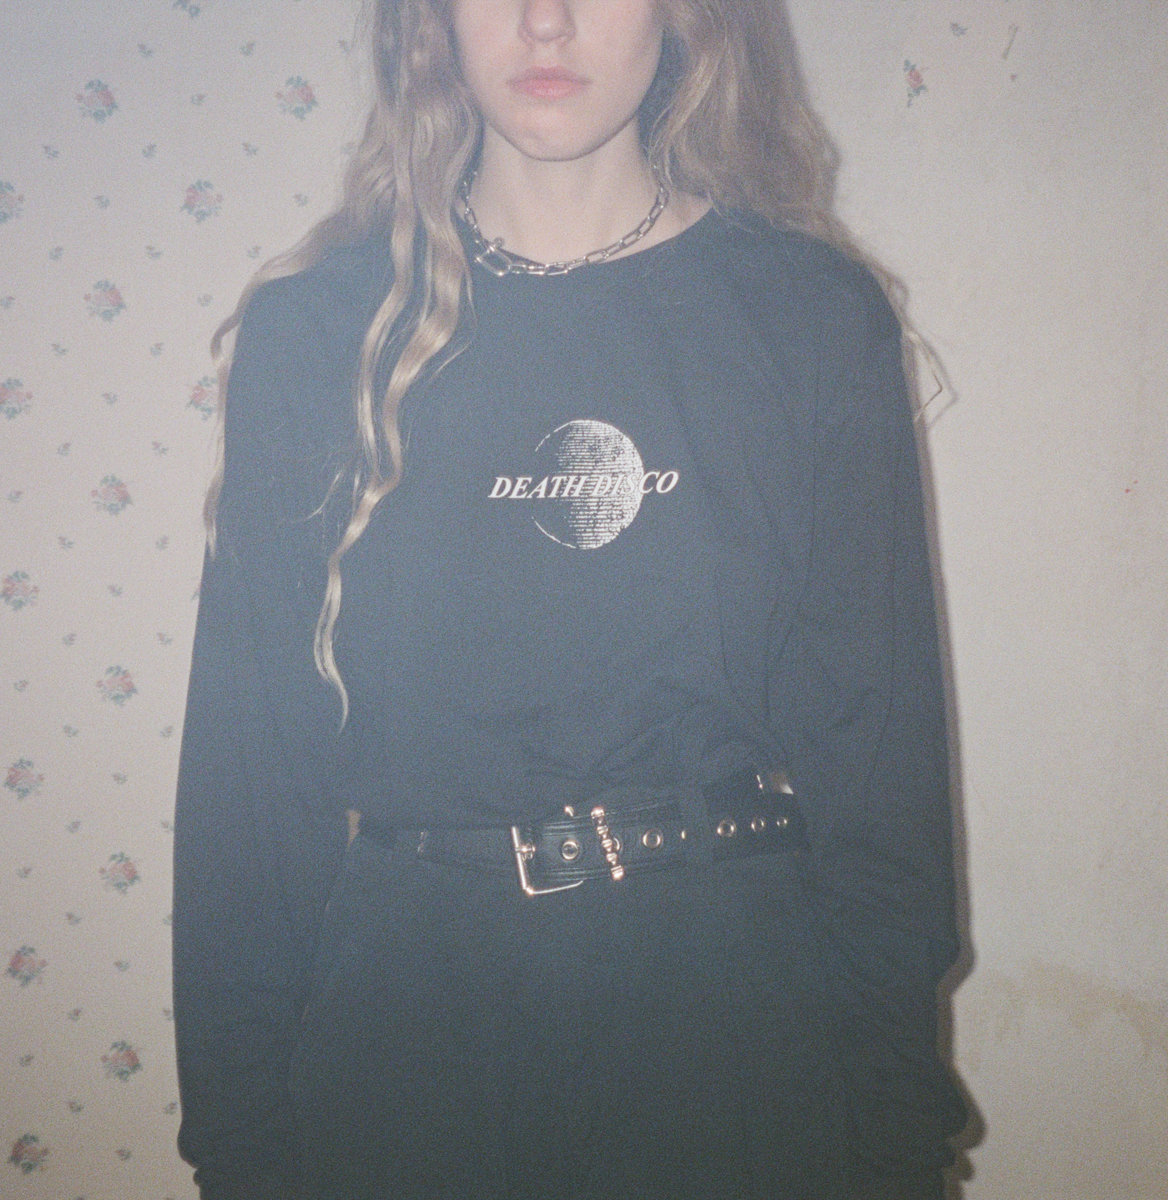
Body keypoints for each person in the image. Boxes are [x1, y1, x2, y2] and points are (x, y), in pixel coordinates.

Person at [172, 1, 969, 1197]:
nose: (545, 19)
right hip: (404, 1042)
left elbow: (880, 758)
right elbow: (250, 773)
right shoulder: (320, 333)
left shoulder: (807, 317)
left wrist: (899, 1139)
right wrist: (239, 1146)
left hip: (734, 1034)